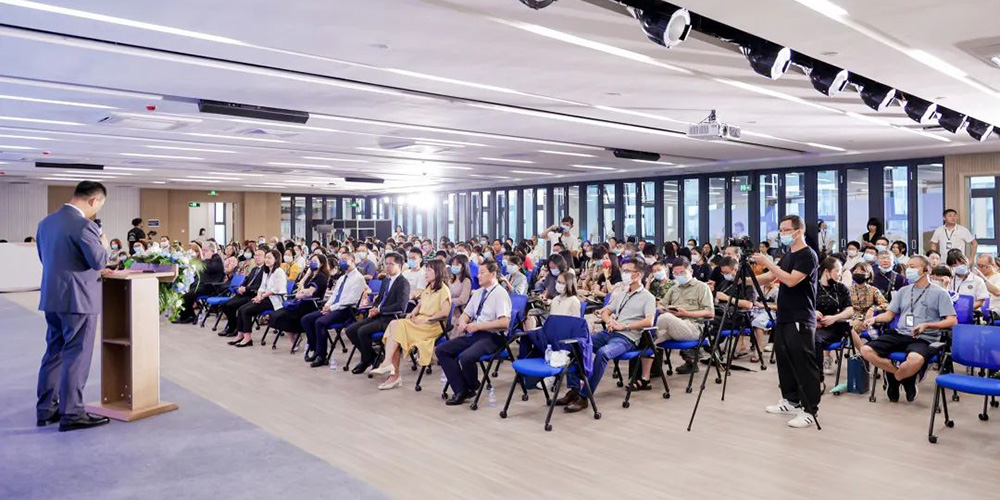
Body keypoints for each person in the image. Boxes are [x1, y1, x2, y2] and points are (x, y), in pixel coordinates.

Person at [35, 181, 113, 432]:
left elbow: (45, 258)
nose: (97, 210)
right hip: (79, 299)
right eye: (99, 205)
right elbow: (98, 261)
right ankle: (72, 413)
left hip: (53, 297)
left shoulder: (46, 223)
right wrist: (103, 242)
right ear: (93, 201)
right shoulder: (84, 226)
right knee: (76, 356)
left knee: (54, 352)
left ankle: (46, 409)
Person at [561, 259, 656, 413]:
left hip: (627, 338)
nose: (623, 274)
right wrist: (609, 321)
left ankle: (585, 396)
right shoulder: (622, 293)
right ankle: (574, 389)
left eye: (627, 271)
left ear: (637, 275)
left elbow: (649, 320)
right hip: (610, 332)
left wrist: (623, 325)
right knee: (577, 344)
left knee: (603, 353)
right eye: (623, 270)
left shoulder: (647, 297)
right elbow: (606, 310)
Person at [753, 215, 821, 429]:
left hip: (801, 315)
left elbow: (790, 280)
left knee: (803, 362)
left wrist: (768, 263)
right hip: (784, 314)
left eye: (785, 229)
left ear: (798, 230)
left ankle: (810, 410)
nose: (781, 233)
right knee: (785, 359)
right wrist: (746, 278)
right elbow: (772, 278)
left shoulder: (807, 255)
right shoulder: (788, 255)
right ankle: (790, 400)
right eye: (780, 229)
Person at [862, 255, 957, 403]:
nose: (909, 270)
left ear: (926, 270)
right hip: (900, 333)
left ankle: (896, 378)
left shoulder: (940, 293)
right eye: (908, 267)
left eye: (913, 267)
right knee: (866, 350)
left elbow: (952, 320)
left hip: (924, 337)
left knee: (915, 359)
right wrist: (874, 318)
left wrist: (927, 325)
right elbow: (889, 315)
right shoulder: (903, 291)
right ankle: (902, 376)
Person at [435, 261, 512, 406]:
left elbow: (504, 323)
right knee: (442, 350)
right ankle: (462, 389)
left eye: (482, 272)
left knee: (466, 357)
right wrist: (463, 323)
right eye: (478, 272)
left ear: (493, 274)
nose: (479, 276)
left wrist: (479, 326)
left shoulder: (500, 294)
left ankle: (471, 386)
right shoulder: (478, 293)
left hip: (494, 336)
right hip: (476, 333)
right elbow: (466, 314)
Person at [370, 260, 452, 390]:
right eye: (426, 270)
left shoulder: (444, 289)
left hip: (432, 325)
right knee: (394, 328)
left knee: (395, 327)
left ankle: (392, 372)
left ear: (438, 272)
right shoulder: (428, 288)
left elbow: (444, 312)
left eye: (429, 270)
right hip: (419, 322)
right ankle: (391, 369)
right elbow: (420, 305)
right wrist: (413, 313)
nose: (426, 273)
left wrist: (427, 320)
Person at [645, 257, 714, 381]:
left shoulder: (702, 287)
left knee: (663, 319)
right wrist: (665, 308)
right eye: (676, 273)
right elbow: (661, 304)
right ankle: (645, 377)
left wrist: (686, 313)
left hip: (692, 327)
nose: (679, 276)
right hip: (672, 325)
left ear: (691, 271)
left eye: (682, 272)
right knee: (646, 338)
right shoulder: (674, 288)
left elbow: (710, 313)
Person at [344, 253, 410, 373]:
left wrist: (380, 310)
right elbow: (380, 298)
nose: (388, 266)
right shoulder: (385, 280)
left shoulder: (403, 282)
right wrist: (374, 308)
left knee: (362, 331)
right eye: (386, 263)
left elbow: (401, 306)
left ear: (400, 266)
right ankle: (373, 357)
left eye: (392, 264)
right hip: (379, 315)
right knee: (350, 330)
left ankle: (366, 360)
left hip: (391, 319)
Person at [300, 251, 366, 367]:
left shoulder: (358, 278)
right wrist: (327, 306)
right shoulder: (341, 278)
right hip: (333, 307)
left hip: (346, 310)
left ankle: (321, 355)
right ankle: (315, 348)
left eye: (344, 259)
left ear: (353, 260)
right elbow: (335, 295)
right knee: (306, 319)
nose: (341, 262)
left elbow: (351, 300)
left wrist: (332, 308)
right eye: (340, 260)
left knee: (320, 322)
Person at [270, 254, 330, 351]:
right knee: (275, 315)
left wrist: (300, 294)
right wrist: (306, 275)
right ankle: (295, 337)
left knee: (282, 316)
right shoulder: (311, 275)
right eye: (311, 260)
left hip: (310, 304)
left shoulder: (321, 277)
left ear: (322, 264)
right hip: (301, 302)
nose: (312, 262)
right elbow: (301, 286)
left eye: (315, 261)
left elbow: (310, 292)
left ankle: (296, 337)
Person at [230, 249, 287, 348]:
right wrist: (259, 296)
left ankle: (247, 338)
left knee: (246, 311)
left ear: (276, 259)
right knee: (241, 309)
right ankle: (240, 335)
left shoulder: (279, 272)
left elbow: (275, 290)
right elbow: (262, 287)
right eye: (266, 258)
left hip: (275, 301)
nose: (267, 260)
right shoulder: (266, 271)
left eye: (269, 258)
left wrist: (261, 297)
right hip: (264, 298)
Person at [813, 257, 854, 376]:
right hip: (814, 325)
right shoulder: (813, 287)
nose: (839, 275)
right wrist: (812, 312)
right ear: (826, 272)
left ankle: (817, 377)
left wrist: (834, 318)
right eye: (837, 271)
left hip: (835, 327)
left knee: (814, 339)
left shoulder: (841, 288)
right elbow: (802, 306)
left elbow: (850, 310)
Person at [218, 249, 266, 336]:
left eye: (259, 255)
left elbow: (260, 286)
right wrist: (241, 287)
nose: (257, 257)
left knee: (230, 305)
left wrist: (246, 289)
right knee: (224, 305)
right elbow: (246, 280)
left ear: (264, 258)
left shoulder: (265, 270)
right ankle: (232, 326)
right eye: (255, 255)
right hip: (244, 293)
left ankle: (235, 328)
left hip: (253, 294)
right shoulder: (254, 269)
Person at [176, 242, 226, 324]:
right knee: (184, 295)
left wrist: (205, 259)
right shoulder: (210, 260)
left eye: (205, 250)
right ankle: (188, 315)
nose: (203, 252)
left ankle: (188, 316)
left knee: (187, 296)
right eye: (203, 250)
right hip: (203, 286)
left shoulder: (217, 259)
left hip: (211, 287)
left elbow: (209, 268)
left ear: (212, 251)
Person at [846, 261, 888, 350]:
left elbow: (885, 304)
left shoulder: (873, 290)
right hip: (851, 317)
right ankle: (863, 351)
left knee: (853, 327)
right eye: (856, 272)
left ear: (868, 274)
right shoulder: (848, 289)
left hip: (866, 318)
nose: (858, 274)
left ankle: (863, 352)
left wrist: (873, 308)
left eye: (862, 272)